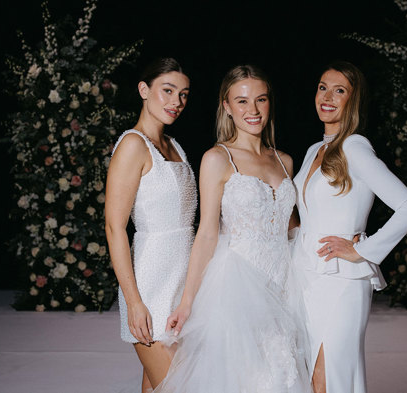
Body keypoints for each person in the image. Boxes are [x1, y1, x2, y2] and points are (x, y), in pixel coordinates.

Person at [154, 65, 312, 392]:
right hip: (238, 290)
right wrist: (187, 303)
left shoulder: (285, 160)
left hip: (284, 286)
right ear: (226, 106)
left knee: (283, 375)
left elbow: (291, 226)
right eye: (241, 101)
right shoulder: (217, 158)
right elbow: (208, 233)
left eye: (260, 100)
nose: (252, 110)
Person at [292, 60, 407, 393]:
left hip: (342, 282)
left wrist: (362, 250)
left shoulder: (355, 147)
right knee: (313, 378)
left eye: (340, 91)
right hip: (307, 277)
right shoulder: (314, 150)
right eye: (323, 87)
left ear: (354, 100)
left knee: (330, 376)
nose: (328, 97)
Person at [105, 58, 197, 393]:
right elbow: (115, 228)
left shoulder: (176, 147)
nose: (176, 102)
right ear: (144, 90)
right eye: (168, 91)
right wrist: (134, 302)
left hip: (181, 289)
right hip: (150, 288)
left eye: (184, 94)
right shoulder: (133, 145)